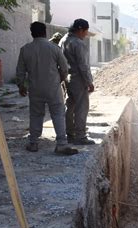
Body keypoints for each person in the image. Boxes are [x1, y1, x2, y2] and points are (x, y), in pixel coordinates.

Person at [16, 21, 78, 155]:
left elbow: (20, 71)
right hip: (53, 88)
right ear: (45, 32)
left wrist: (21, 85)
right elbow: (64, 68)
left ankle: (33, 143)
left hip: (35, 88)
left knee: (36, 115)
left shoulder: (25, 49)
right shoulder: (54, 48)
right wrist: (59, 80)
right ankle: (61, 144)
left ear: (32, 33)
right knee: (58, 114)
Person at [59, 18, 95, 145]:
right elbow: (83, 65)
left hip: (67, 78)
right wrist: (89, 82)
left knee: (70, 106)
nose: (86, 34)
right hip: (78, 79)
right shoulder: (78, 43)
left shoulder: (63, 40)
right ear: (80, 30)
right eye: (85, 31)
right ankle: (80, 136)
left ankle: (70, 134)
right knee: (81, 108)